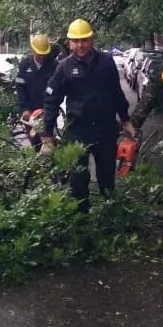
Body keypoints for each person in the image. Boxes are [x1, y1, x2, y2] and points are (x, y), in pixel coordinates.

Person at [41, 19, 134, 212]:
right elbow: (51, 100)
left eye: (84, 40)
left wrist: (125, 120)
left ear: (91, 39)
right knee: (78, 180)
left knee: (106, 178)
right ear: (69, 42)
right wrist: (47, 134)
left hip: (105, 129)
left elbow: (117, 93)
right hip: (78, 131)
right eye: (75, 41)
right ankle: (82, 222)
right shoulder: (64, 67)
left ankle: (110, 217)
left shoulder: (106, 62)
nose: (80, 45)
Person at [15, 34, 59, 150]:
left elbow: (58, 90)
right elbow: (20, 88)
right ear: (33, 50)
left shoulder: (54, 66)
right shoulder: (24, 65)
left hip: (48, 111)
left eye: (44, 54)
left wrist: (48, 110)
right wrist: (24, 109)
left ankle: (51, 165)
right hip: (30, 112)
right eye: (40, 54)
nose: (42, 57)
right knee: (36, 143)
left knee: (49, 143)